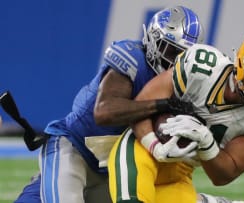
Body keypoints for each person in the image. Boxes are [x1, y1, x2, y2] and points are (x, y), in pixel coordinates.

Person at [14, 6, 205, 203]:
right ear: (154, 39)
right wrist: (164, 104)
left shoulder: (186, 80)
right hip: (74, 147)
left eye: (183, 55)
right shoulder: (134, 59)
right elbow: (104, 112)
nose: (175, 62)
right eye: (171, 50)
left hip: (111, 168)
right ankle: (44, 181)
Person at [108, 29, 244, 202]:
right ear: (242, 66)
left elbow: (223, 175)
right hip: (141, 150)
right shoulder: (202, 68)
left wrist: (207, 143)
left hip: (179, 172)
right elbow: (140, 106)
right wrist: (154, 146)